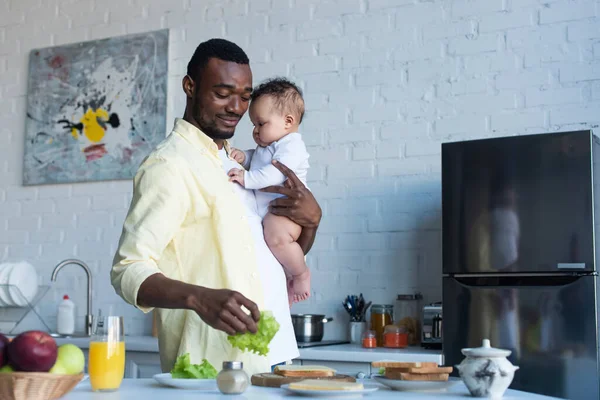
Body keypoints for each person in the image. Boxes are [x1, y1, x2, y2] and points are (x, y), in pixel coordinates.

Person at [110, 38, 322, 377]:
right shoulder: (169, 165)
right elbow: (127, 268)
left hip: (275, 353)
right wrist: (198, 298)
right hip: (212, 365)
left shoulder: (236, 163)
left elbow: (270, 251)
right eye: (223, 94)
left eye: (244, 96)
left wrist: (312, 223)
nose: (236, 107)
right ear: (190, 87)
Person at [227, 78, 311, 305]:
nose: (255, 131)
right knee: (273, 248)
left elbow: (274, 174)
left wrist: (246, 178)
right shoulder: (269, 146)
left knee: (276, 238)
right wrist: (246, 157)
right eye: (253, 125)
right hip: (273, 209)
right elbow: (260, 161)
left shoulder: (292, 146)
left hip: (287, 210)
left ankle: (301, 273)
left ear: (288, 121)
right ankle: (287, 279)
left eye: (261, 124)